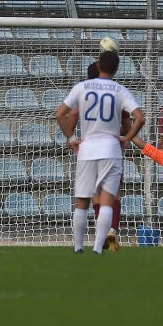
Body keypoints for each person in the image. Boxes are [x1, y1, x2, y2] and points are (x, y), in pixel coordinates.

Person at [56, 51, 145, 254]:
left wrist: (72, 138)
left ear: (98, 66)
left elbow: (61, 114)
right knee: (108, 199)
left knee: (82, 202)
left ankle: (78, 248)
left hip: (87, 149)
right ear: (116, 69)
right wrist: (127, 138)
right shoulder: (119, 90)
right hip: (111, 149)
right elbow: (140, 118)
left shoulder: (82, 87)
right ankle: (98, 247)